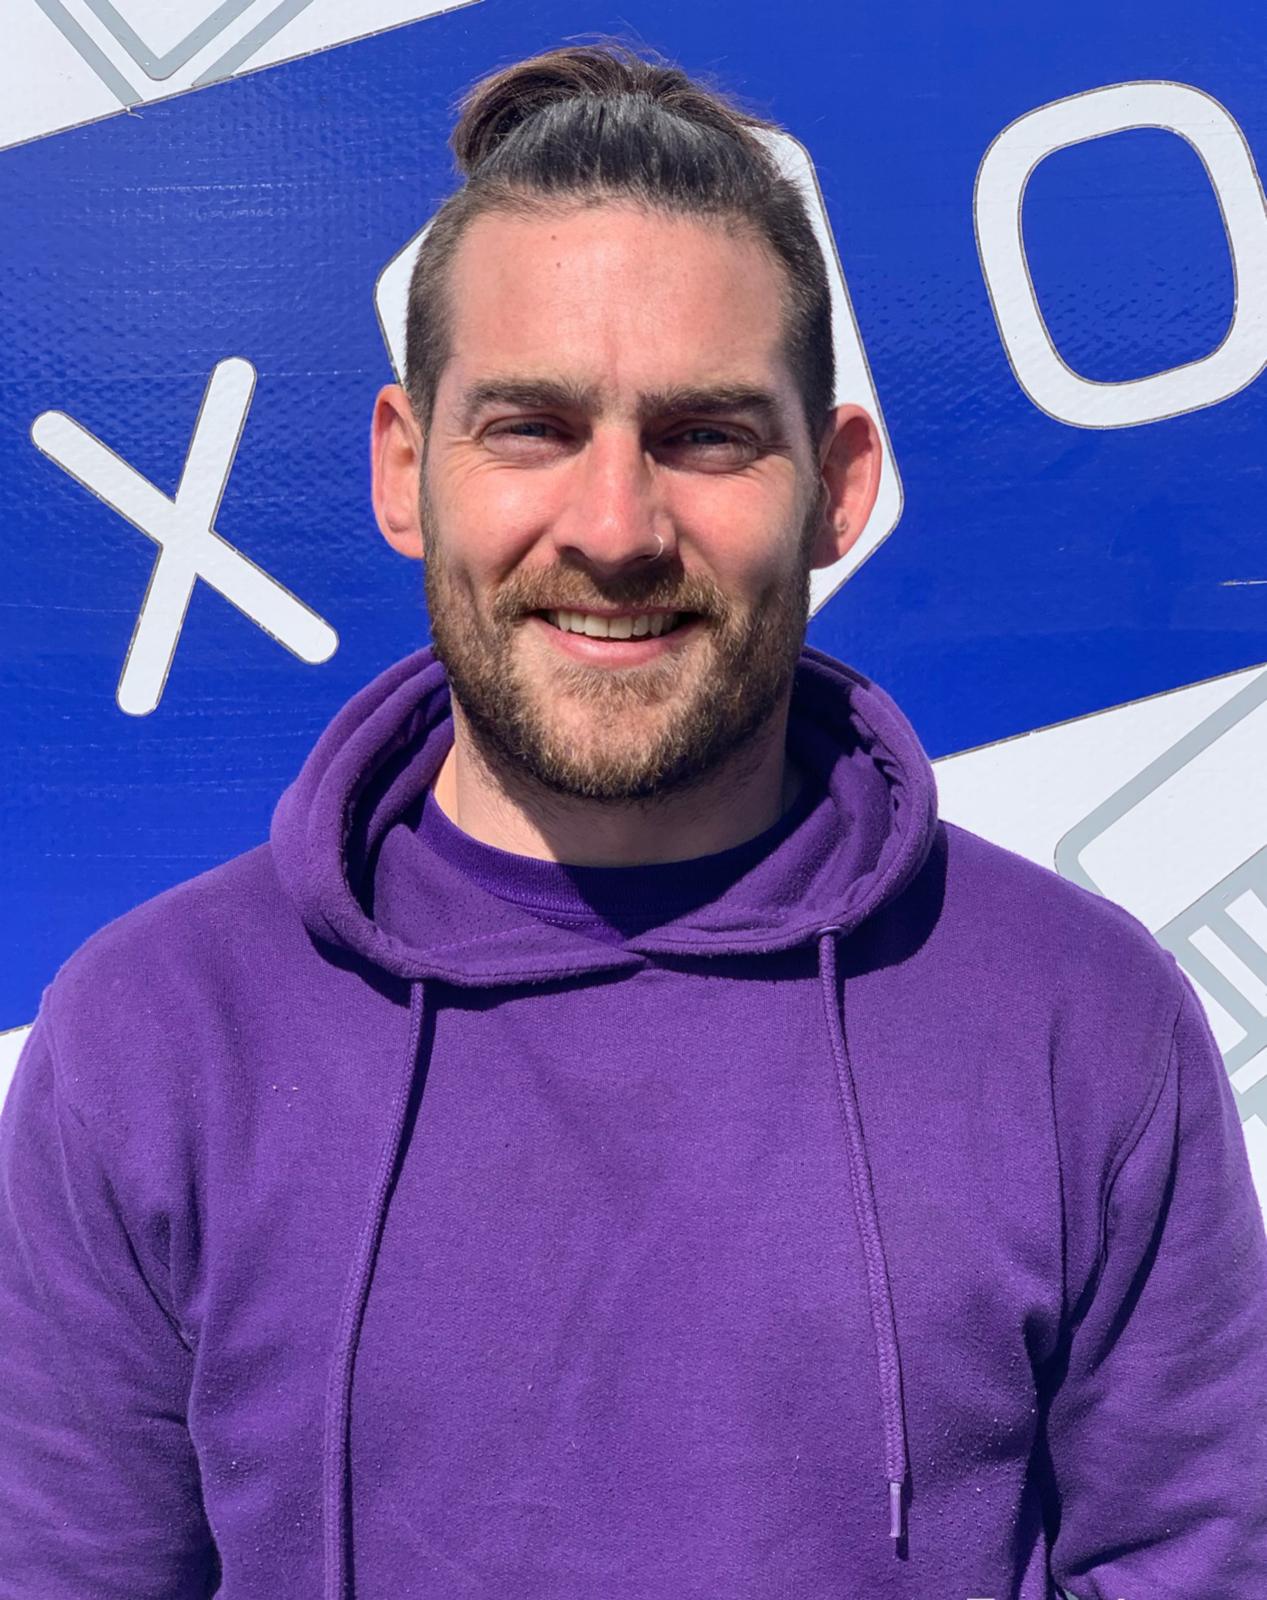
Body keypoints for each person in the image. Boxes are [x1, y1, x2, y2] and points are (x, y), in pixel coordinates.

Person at [1, 39, 1264, 1600]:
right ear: (405, 471)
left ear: (838, 486)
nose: (614, 530)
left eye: (706, 434)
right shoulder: (153, 1045)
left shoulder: (1081, 1021)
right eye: (531, 427)